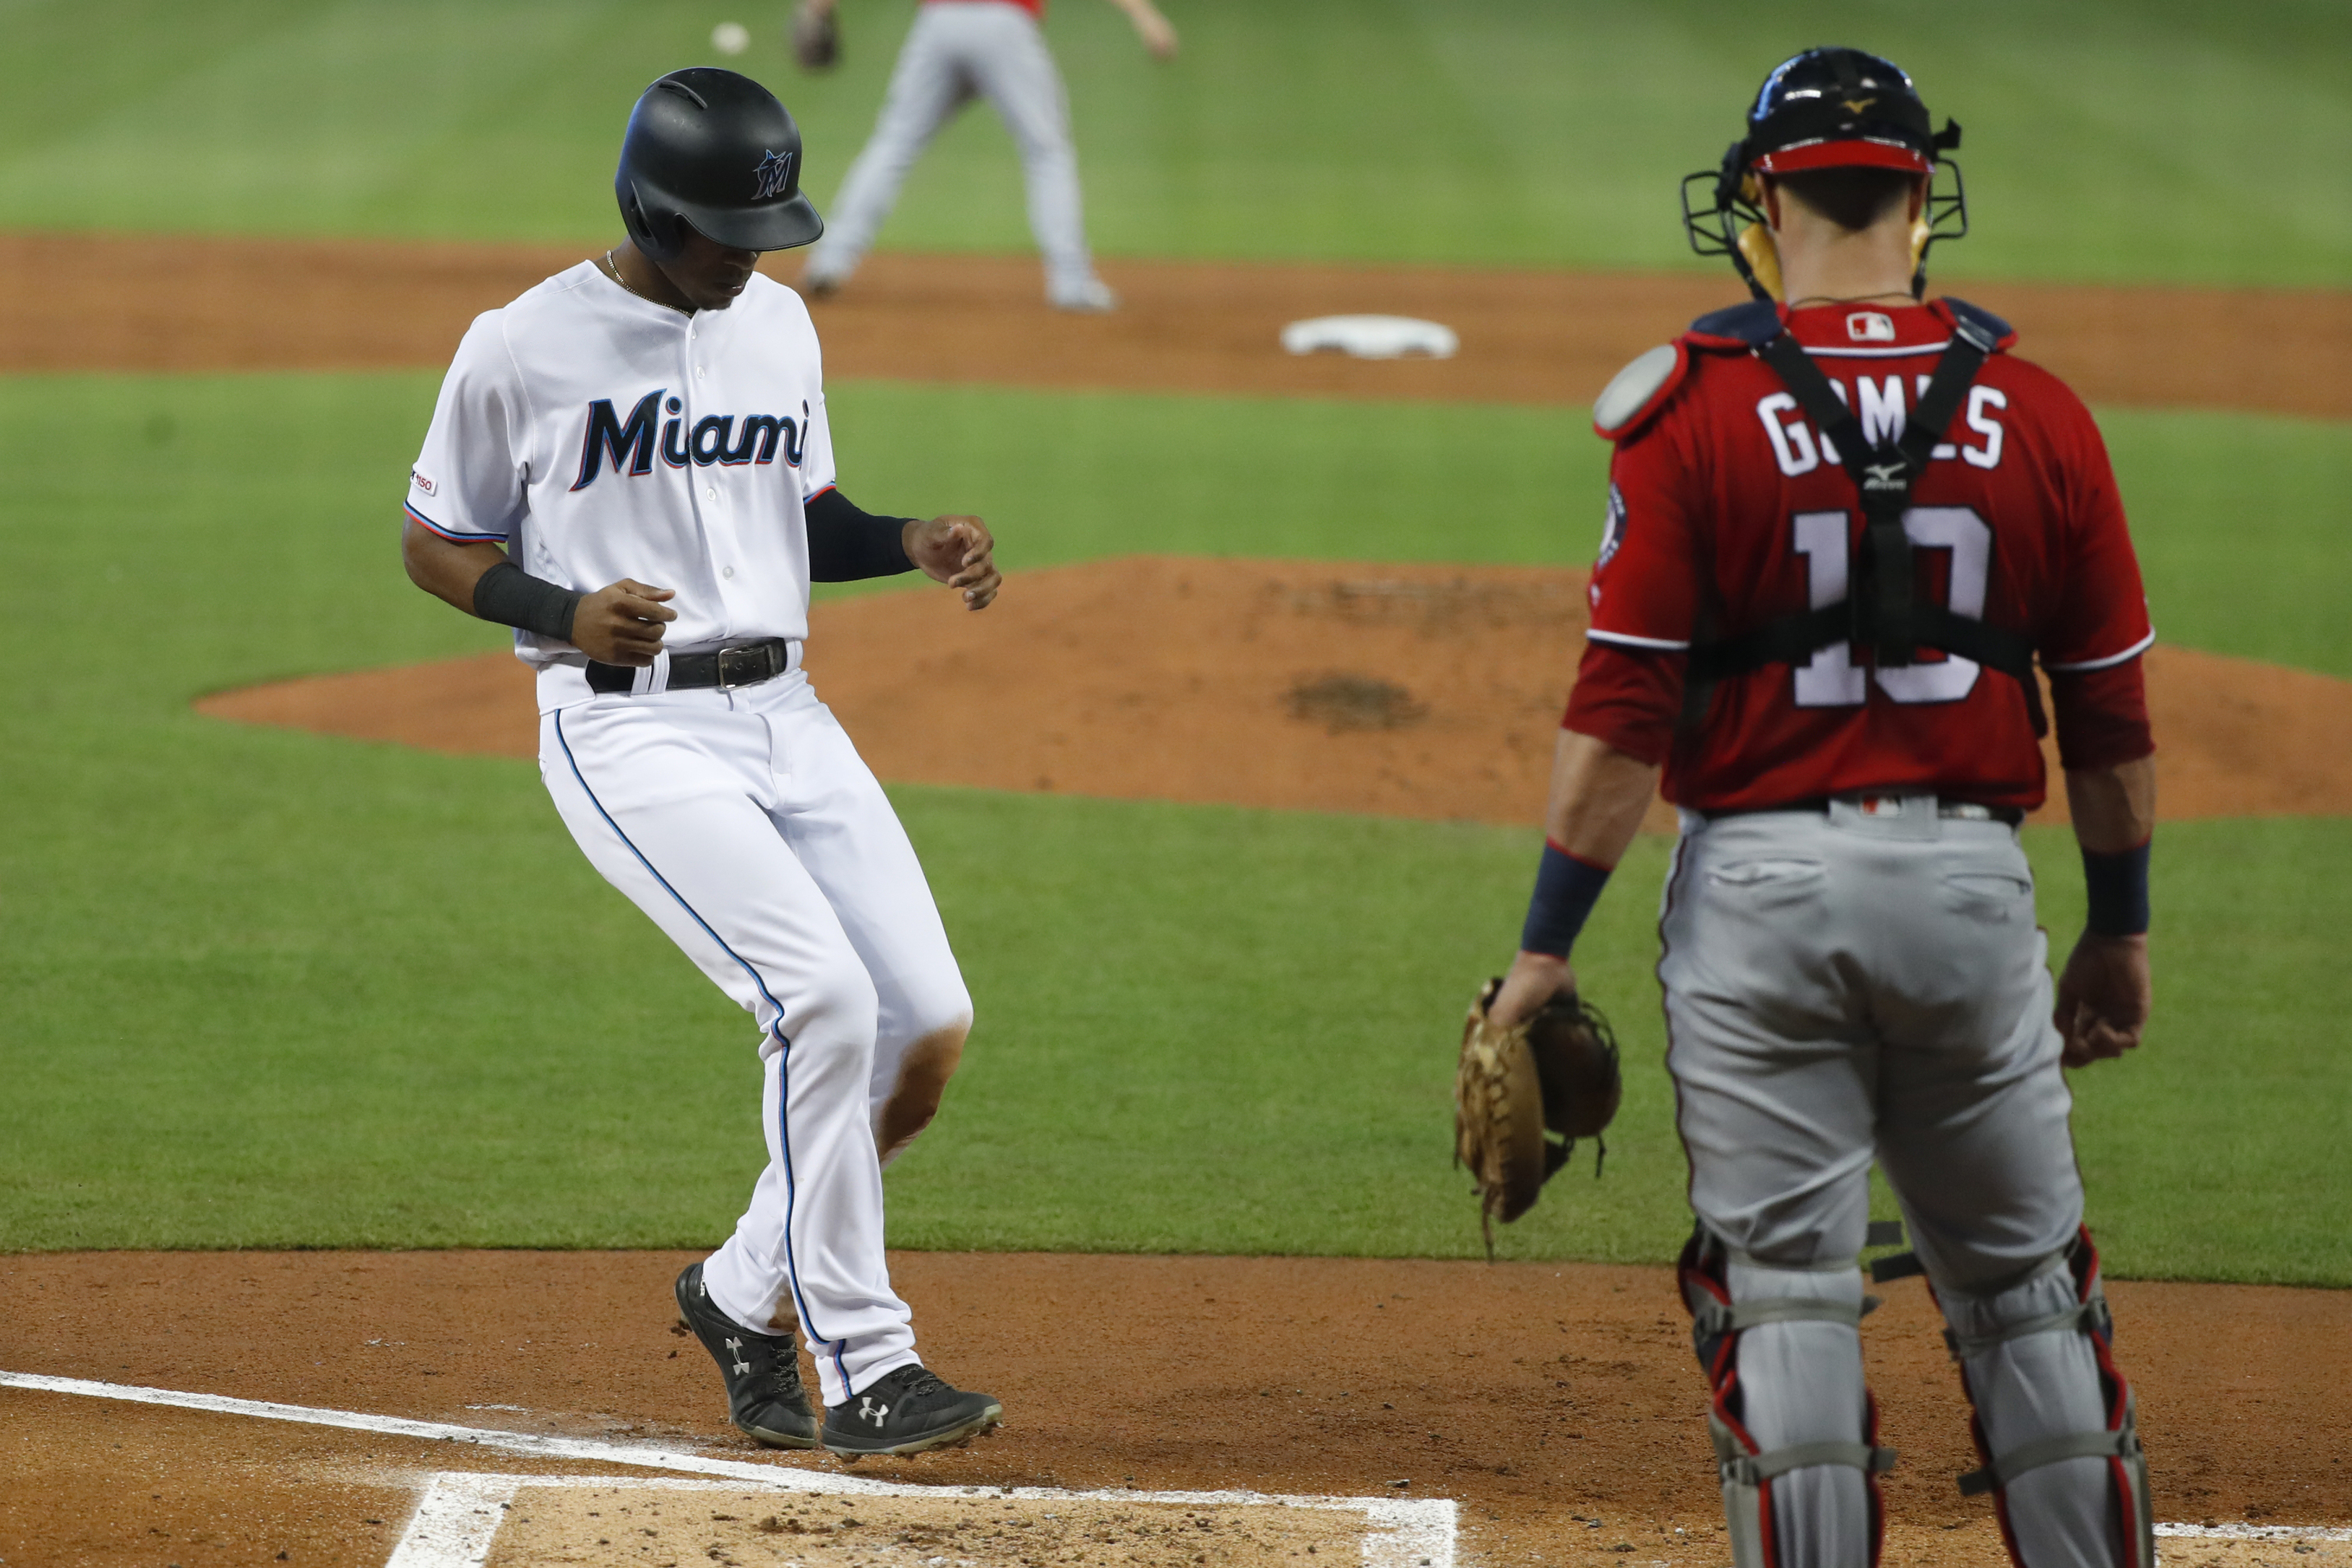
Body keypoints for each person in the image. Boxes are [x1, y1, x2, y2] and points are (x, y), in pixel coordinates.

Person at [1487, 48, 2160, 1568]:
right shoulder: (2037, 412)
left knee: (1784, 1288)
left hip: (1759, 899)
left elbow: (1619, 715)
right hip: (1971, 901)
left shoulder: (1690, 407)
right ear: (1922, 200)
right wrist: (2116, 931)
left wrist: (1542, 948)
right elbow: (2110, 722)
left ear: (1760, 200)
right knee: (2024, 1290)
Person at [399, 66, 1007, 1459]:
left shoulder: (777, 325)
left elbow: (799, 515)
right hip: (627, 726)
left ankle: (738, 1293)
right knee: (821, 999)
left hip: (787, 713)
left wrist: (903, 538)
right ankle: (864, 1365)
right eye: (729, 236)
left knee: (922, 1028)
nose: (754, 260)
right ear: (648, 211)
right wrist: (560, 614)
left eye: (768, 235)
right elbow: (435, 543)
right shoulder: (520, 346)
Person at [793, 0, 1178, 310]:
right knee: (1047, 153)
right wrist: (1146, 16)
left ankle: (828, 263)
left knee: (894, 143)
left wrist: (818, 6)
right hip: (1003, 24)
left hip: (939, 23)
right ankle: (1072, 283)